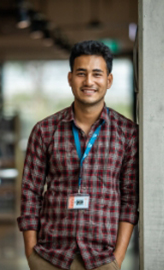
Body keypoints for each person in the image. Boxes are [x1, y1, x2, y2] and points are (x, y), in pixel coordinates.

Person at [17, 40, 138, 270]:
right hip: (50, 257)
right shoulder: (44, 130)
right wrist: (31, 254)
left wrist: (118, 259)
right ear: (70, 78)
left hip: (102, 259)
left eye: (97, 74)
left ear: (109, 80)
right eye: (81, 73)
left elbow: (129, 201)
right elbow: (30, 193)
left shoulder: (128, 134)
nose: (89, 81)